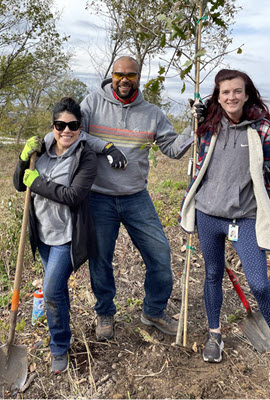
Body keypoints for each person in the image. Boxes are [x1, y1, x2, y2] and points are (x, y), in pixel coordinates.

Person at [80, 55, 193, 341]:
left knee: (160, 254)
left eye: (131, 75)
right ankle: (105, 313)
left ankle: (153, 311)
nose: (124, 80)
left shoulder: (152, 113)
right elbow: (74, 134)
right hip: (99, 197)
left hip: (136, 197)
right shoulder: (92, 103)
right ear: (112, 75)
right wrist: (106, 145)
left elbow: (173, 148)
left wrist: (195, 126)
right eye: (119, 74)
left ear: (139, 77)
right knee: (100, 259)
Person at [179, 69, 270, 363]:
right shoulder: (207, 125)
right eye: (225, 92)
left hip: (244, 217)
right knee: (213, 274)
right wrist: (196, 114)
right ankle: (214, 335)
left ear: (247, 94)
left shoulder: (262, 128)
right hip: (208, 215)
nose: (231, 97)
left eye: (237, 91)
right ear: (218, 96)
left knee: (260, 284)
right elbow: (181, 148)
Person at [13, 97, 97, 373]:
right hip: (43, 234)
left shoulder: (85, 156)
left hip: (67, 238)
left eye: (72, 125)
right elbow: (18, 184)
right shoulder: (42, 150)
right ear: (53, 126)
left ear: (80, 127)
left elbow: (73, 196)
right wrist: (24, 159)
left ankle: (59, 347)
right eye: (60, 125)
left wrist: (37, 182)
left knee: (50, 291)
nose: (66, 130)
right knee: (57, 290)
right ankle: (59, 334)